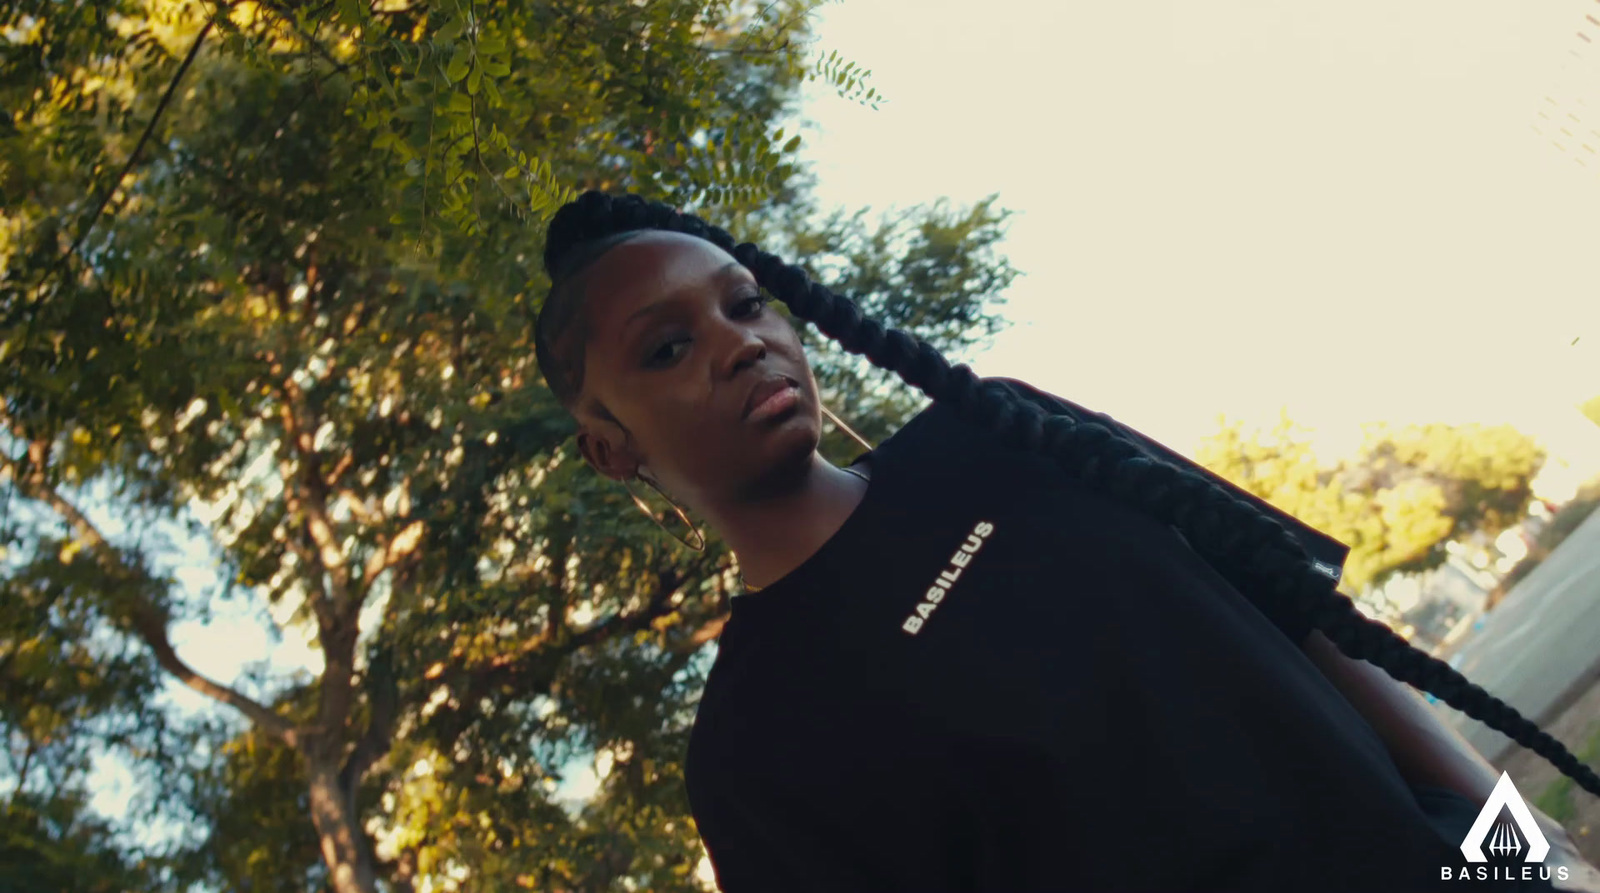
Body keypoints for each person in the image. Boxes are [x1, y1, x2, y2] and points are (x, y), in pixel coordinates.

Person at [532, 191, 1600, 892]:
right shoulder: (752, 754)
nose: (739, 343)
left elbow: (1314, 633)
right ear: (610, 447)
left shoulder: (1003, 434)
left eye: (746, 302)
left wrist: (1528, 859)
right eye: (669, 346)